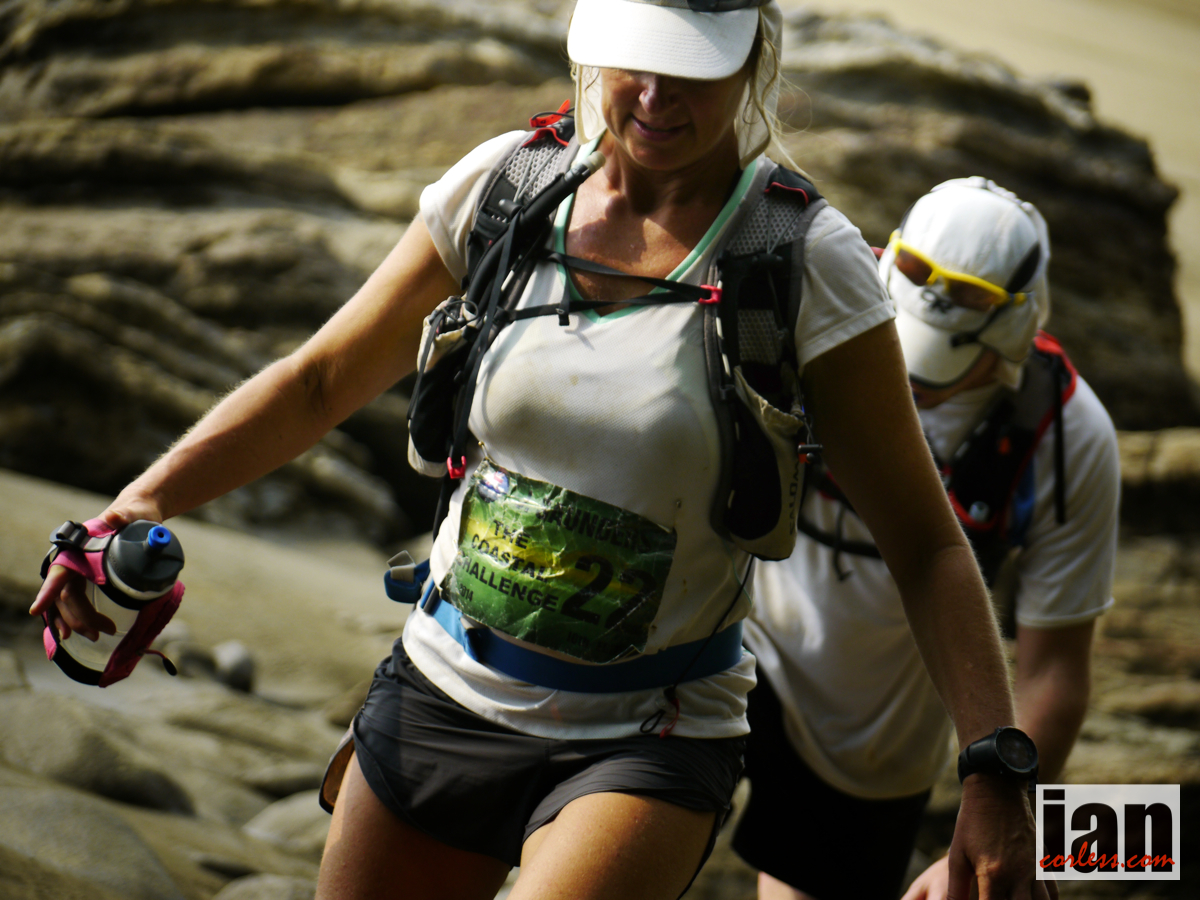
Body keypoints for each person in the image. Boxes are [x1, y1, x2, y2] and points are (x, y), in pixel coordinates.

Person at [32, 3, 1050, 899]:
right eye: (635, 57)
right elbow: (320, 381)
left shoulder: (805, 261)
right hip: (440, 689)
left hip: (650, 730)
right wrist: (140, 503)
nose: (655, 95)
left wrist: (995, 769)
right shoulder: (506, 189)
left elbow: (927, 544)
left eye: (692, 65)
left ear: (754, 58)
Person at [732, 178, 1119, 900]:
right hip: (734, 642)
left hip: (871, 735)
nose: (911, 390)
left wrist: (1006, 811)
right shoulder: (819, 317)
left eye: (938, 373)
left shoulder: (1066, 437)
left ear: (1012, 327)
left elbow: (1055, 670)